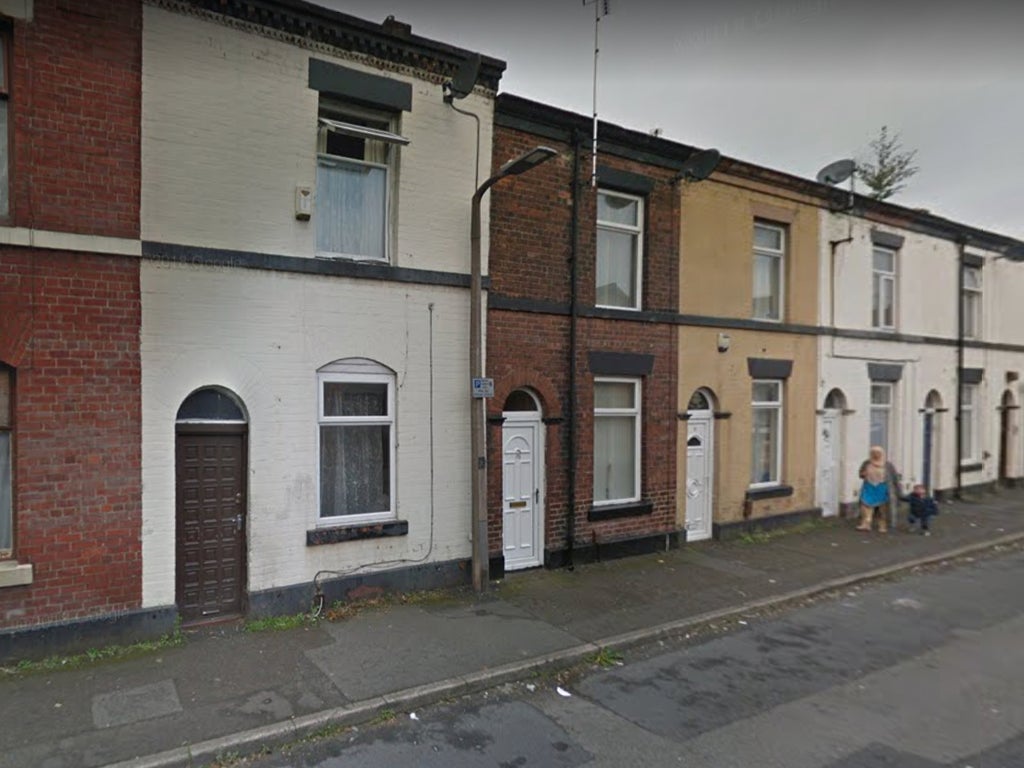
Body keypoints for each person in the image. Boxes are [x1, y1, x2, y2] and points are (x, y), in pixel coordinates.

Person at [856, 446, 899, 533]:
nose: (876, 455)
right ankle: (866, 524)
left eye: (878, 453)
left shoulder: (887, 465)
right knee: (865, 505)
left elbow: (894, 477)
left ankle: (882, 525)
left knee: (882, 508)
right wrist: (863, 474)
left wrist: (896, 488)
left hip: (882, 487)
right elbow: (860, 473)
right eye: (873, 453)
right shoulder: (866, 463)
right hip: (869, 487)